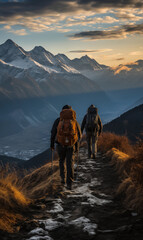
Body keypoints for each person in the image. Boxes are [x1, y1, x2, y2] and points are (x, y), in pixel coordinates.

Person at [50, 105, 81, 190]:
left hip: (60, 145)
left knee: (61, 161)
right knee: (69, 163)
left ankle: (62, 179)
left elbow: (53, 133)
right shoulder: (74, 121)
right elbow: (79, 135)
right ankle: (69, 183)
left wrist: (52, 145)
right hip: (71, 145)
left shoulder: (58, 120)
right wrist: (77, 146)